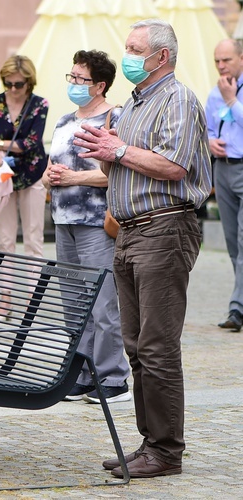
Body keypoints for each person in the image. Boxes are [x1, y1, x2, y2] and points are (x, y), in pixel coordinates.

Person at [74, 19, 212, 478]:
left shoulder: (178, 99)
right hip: (129, 230)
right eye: (128, 47)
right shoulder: (133, 103)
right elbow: (124, 162)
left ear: (162, 57)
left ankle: (167, 452)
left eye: (136, 49)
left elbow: (174, 166)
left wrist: (116, 151)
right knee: (135, 347)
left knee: (156, 347)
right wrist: (104, 152)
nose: (128, 55)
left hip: (164, 229)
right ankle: (150, 442)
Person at [42, 50, 131, 404]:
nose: (74, 84)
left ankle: (113, 377)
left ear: (100, 85)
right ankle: (82, 372)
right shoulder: (64, 121)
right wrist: (50, 178)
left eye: (81, 79)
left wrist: (74, 177)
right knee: (74, 304)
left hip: (96, 221)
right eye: (72, 77)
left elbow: (117, 173)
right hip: (63, 220)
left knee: (103, 302)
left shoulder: (114, 118)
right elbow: (53, 170)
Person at [0, 55, 49, 259]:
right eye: (8, 83)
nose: (13, 89)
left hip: (32, 175)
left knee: (34, 240)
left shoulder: (39, 104)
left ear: (29, 81)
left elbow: (30, 143)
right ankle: (5, 292)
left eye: (18, 84)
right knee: (5, 241)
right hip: (3, 174)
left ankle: (34, 292)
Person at [206, 39, 243, 332]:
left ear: (241, 58)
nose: (220, 66)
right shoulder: (215, 92)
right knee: (232, 243)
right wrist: (209, 142)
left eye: (227, 60)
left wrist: (232, 100)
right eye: (217, 60)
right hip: (223, 169)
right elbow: (206, 128)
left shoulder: (229, 93)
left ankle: (236, 309)